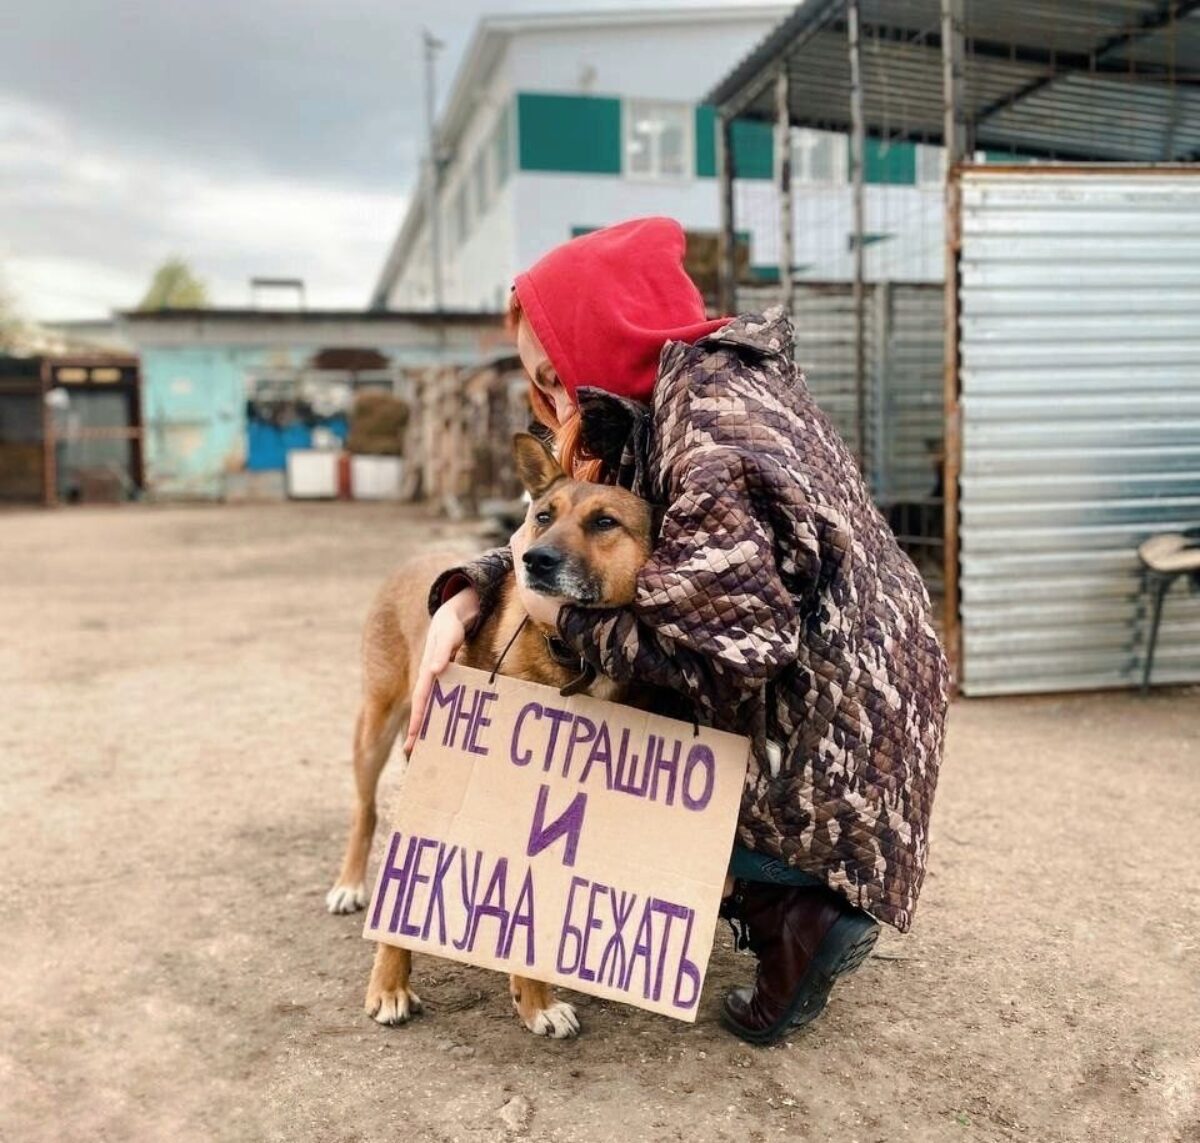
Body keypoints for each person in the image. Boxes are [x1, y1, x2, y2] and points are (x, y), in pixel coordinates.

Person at [404, 217, 949, 1045]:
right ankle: (773, 884)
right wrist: (471, 591)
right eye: (540, 390)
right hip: (866, 684)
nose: (555, 404)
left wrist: (568, 621)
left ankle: (793, 907)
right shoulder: (677, 393)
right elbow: (581, 531)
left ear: (602, 331)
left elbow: (726, 653)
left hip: (834, 725)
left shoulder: (709, 425)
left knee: (625, 749)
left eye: (554, 374)